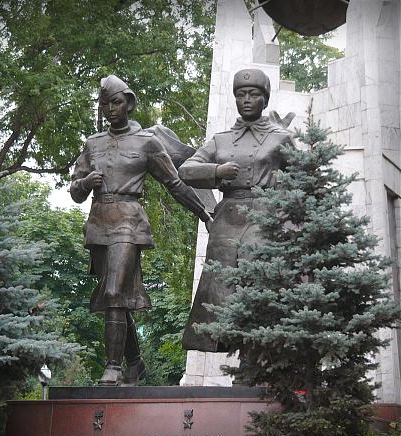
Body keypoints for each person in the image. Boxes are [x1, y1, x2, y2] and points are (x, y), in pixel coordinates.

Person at [70, 75, 212, 385]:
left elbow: (175, 183)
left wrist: (203, 213)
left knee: (113, 292)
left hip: (129, 223)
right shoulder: (93, 144)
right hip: (99, 223)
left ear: (129, 103)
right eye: (105, 104)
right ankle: (135, 363)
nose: (111, 109)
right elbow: (75, 192)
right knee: (115, 298)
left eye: (116, 102)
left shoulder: (148, 142)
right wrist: (85, 182)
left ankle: (113, 368)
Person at [179, 68, 294, 352]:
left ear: (265, 99)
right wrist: (216, 171)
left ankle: (258, 351)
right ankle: (229, 344)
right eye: (241, 95)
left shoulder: (280, 138)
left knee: (258, 278)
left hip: (264, 215)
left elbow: (303, 177)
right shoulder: (221, 139)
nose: (246, 100)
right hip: (227, 217)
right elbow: (186, 170)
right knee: (221, 286)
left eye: (253, 94)